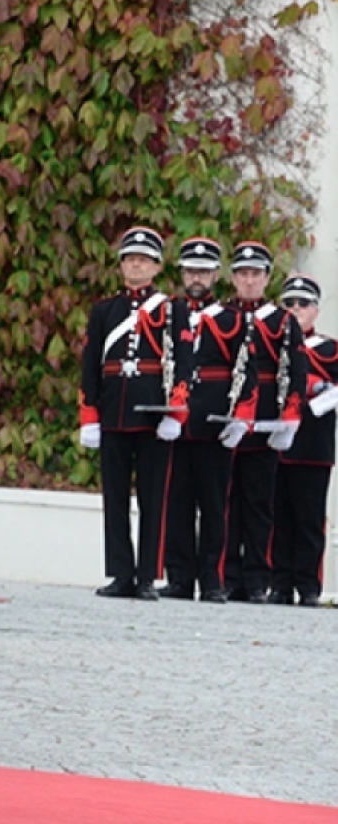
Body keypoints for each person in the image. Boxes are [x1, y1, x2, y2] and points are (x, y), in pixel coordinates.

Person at [78, 227, 191, 600]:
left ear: (157, 267)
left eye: (143, 260)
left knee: (153, 498)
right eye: (129, 259)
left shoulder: (173, 311)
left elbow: (184, 365)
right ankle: (120, 574)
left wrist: (175, 415)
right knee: (114, 497)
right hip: (113, 412)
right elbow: (90, 365)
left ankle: (147, 576)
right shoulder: (104, 311)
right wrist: (90, 415)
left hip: (153, 415)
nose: (135, 266)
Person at [219, 241, 305, 602]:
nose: (249, 280)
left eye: (255, 274)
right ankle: (228, 576)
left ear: (267, 278)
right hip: (226, 418)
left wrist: (290, 417)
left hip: (265, 418)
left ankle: (257, 578)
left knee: (258, 503)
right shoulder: (221, 315)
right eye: (242, 274)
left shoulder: (283, 321)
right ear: (234, 278)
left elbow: (294, 369)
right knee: (225, 500)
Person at [158, 237, 231, 602]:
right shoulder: (168, 314)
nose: (197, 277)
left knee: (215, 505)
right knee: (177, 503)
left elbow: (242, 369)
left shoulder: (231, 318)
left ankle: (213, 581)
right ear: (181, 273)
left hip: (214, 420)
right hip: (176, 421)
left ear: (216, 274)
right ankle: (180, 578)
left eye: (203, 271)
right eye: (191, 271)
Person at [270, 274, 334, 606]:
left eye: (303, 304)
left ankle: (308, 585)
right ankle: (279, 583)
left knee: (308, 519)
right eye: (289, 304)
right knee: (277, 517)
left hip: (312, 445)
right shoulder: (271, 344)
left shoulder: (329, 349)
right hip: (275, 443)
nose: (296, 310)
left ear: (315, 310)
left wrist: (319, 393)